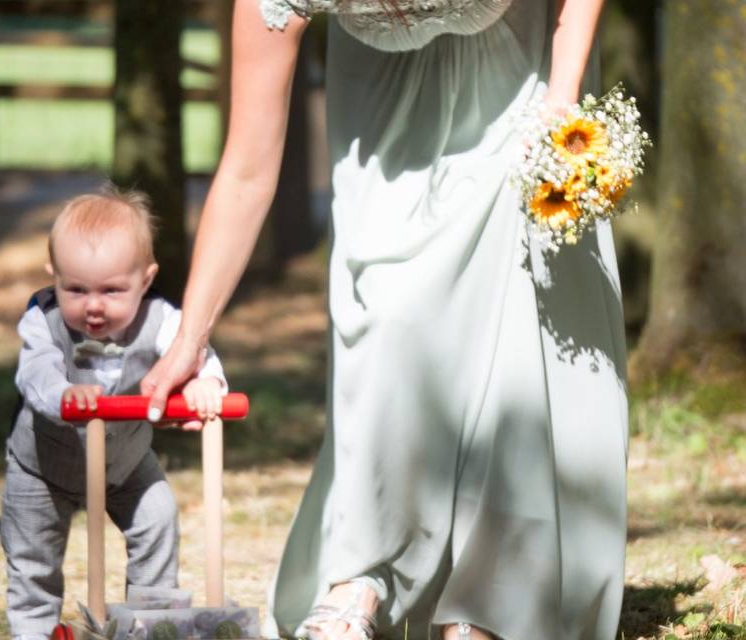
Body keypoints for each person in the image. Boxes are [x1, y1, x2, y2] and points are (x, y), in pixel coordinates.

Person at [142, 0, 627, 638]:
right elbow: (248, 168)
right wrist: (190, 334)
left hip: (521, 70)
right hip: (381, 104)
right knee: (386, 317)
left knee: (515, 323)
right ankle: (362, 573)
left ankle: (492, 606)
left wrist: (561, 108)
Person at [1, 185, 227, 640]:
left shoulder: (162, 319)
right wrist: (64, 393)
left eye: (112, 290)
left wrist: (206, 382)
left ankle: (149, 621)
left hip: (125, 461)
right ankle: (33, 631)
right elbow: (36, 373)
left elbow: (193, 350)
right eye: (76, 289)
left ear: (145, 280)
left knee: (158, 517)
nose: (94, 305)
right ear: (54, 276)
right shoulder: (41, 321)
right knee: (32, 555)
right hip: (43, 462)